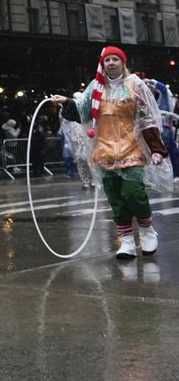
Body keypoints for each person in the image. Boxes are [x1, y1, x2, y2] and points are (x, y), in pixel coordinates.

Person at [53, 46, 172, 259]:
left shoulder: (135, 84)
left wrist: (156, 148)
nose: (111, 63)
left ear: (123, 63)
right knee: (115, 198)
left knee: (133, 192)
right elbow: (83, 112)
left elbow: (147, 117)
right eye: (107, 60)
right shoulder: (96, 87)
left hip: (131, 147)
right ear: (103, 64)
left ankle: (146, 230)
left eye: (115, 59)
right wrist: (67, 103)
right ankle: (126, 240)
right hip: (104, 151)